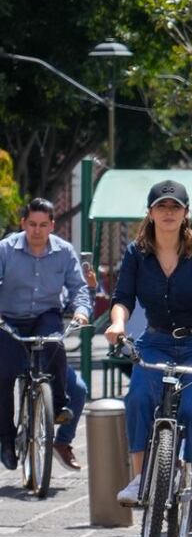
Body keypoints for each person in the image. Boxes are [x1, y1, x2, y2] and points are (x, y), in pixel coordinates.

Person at [106, 181, 192, 508]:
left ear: (186, 214)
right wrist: (117, 323)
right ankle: (140, 478)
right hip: (156, 341)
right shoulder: (137, 252)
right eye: (161, 207)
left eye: (175, 207)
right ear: (150, 212)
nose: (168, 213)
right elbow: (122, 298)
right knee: (138, 397)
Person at [0, 198, 90, 470]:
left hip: (45, 316)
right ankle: (5, 438)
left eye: (43, 225)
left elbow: (79, 287)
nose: (37, 231)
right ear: (23, 224)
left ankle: (59, 405)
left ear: (52, 225)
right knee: (3, 374)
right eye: (32, 225)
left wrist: (82, 311)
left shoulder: (64, 252)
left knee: (54, 343)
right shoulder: (5, 249)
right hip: (9, 319)